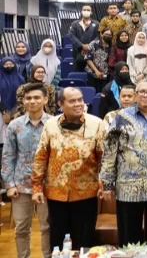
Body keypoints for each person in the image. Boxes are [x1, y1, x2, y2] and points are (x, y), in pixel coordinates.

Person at [99, 81, 147, 251]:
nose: (145, 94)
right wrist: (107, 184)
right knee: (129, 240)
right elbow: (109, 150)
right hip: (128, 188)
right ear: (135, 95)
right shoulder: (121, 117)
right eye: (141, 91)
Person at [31, 87, 105, 250]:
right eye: (72, 101)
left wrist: (103, 184)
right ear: (60, 104)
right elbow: (41, 156)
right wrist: (36, 187)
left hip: (86, 194)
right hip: (57, 193)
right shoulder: (50, 125)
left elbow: (104, 160)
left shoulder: (97, 124)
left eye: (80, 100)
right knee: (58, 242)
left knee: (84, 242)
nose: (78, 104)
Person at [1, 83, 51, 258]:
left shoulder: (54, 124)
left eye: (37, 97)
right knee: (21, 228)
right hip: (21, 186)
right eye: (28, 98)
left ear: (45, 99)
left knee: (47, 227)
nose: (32, 101)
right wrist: (9, 185)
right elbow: (8, 156)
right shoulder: (15, 125)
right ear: (23, 101)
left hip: (48, 185)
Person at [69, 5, 100, 71]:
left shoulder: (96, 24)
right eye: (84, 10)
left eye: (88, 10)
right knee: (78, 73)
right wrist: (82, 46)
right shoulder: (75, 24)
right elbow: (72, 36)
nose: (86, 11)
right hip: (78, 52)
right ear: (81, 11)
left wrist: (89, 46)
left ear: (91, 12)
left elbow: (98, 36)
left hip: (92, 52)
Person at [85, 27, 113, 92]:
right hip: (92, 73)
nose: (108, 36)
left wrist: (104, 72)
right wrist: (96, 71)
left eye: (109, 35)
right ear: (101, 34)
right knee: (92, 92)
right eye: (106, 34)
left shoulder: (112, 47)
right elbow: (88, 59)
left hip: (105, 75)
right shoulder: (93, 44)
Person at [1, 57, 26, 125]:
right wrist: (4, 112)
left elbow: (24, 95)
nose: (9, 66)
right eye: (6, 64)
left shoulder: (21, 79)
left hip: (17, 109)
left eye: (11, 64)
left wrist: (19, 111)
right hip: (2, 110)